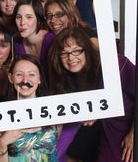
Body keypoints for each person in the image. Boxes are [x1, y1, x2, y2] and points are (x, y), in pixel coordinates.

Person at [48, 27, 135, 162]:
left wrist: (133, 134)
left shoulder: (115, 64)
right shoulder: (66, 79)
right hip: (91, 139)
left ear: (87, 50)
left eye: (76, 51)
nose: (71, 58)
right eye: (64, 53)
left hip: (122, 132)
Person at [0, 54, 61, 161]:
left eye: (31, 74)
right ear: (10, 78)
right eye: (19, 74)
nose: (25, 80)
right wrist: (2, 143)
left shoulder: (54, 110)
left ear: (39, 79)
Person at [13, 0, 55, 78]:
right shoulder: (16, 44)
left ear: (38, 19)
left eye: (29, 17)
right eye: (18, 17)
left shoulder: (52, 40)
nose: (22, 23)